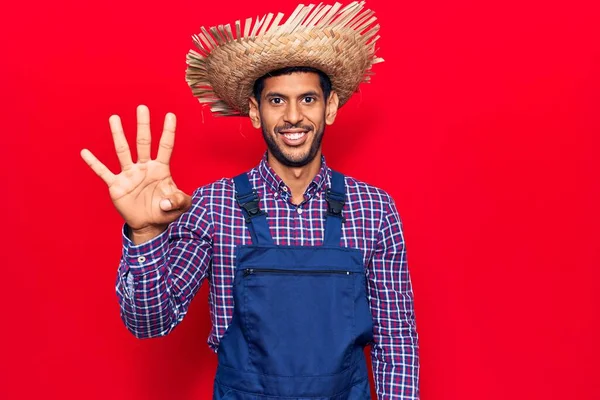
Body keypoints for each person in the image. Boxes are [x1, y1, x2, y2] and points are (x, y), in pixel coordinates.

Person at [81, 2, 419, 399]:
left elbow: (396, 340)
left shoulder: (373, 209)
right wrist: (145, 234)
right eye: (277, 101)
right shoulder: (214, 205)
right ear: (256, 112)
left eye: (307, 99)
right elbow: (150, 322)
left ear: (330, 108)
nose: (293, 116)